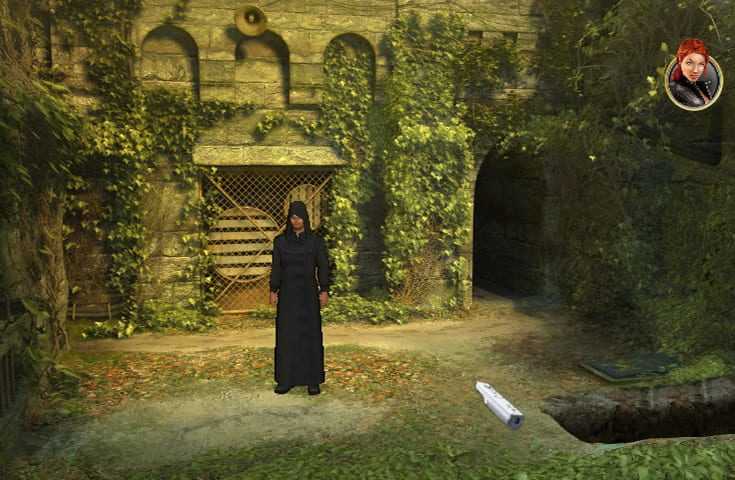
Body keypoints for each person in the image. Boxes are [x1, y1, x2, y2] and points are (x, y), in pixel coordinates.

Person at [269, 201, 330, 395]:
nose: (296, 221)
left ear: (305, 218)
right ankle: (286, 379)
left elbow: (323, 265)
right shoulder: (280, 242)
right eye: (292, 217)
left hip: (308, 294)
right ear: (289, 219)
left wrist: (324, 289)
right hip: (288, 294)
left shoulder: (315, 241)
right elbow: (276, 267)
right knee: (287, 335)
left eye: (299, 217)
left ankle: (312, 381)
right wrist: (273, 289)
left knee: (310, 334)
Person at [668, 38, 715, 109]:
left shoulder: (700, 85)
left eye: (701, 64)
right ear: (680, 61)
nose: (695, 70)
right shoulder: (676, 88)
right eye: (689, 63)